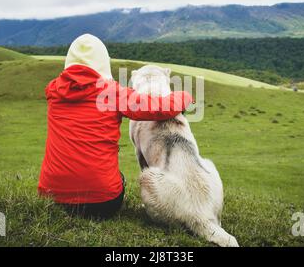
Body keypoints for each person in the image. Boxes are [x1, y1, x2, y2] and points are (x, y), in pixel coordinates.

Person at [38, 34, 193, 219]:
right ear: (103, 62)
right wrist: (185, 96)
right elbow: (160, 108)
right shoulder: (111, 94)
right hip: (101, 204)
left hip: (51, 198)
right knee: (119, 179)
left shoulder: (54, 92)